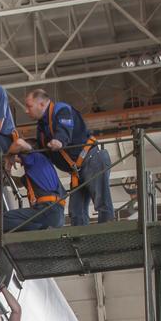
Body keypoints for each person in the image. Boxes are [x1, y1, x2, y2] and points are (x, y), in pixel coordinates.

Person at [24, 88, 114, 226]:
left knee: (101, 202)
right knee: (76, 212)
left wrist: (60, 141)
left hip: (92, 159)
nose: (26, 110)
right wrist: (23, 153)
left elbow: (65, 128)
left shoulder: (61, 110)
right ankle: (80, 244)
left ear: (42, 104)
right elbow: (41, 149)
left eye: (29, 106)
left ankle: (108, 233)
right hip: (77, 170)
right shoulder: (42, 128)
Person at [0, 144, 66, 232]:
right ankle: (39, 229)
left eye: (19, 156)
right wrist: (3, 178)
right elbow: (20, 182)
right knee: (4, 223)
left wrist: (9, 157)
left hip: (48, 209)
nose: (18, 161)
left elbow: (19, 143)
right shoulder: (37, 171)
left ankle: (38, 229)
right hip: (55, 215)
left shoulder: (35, 157)